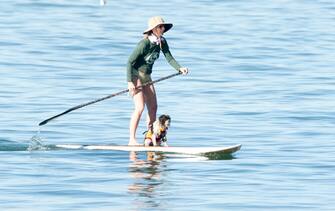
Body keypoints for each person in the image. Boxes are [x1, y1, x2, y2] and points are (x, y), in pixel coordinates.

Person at [127, 16, 188, 146]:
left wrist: (180, 68)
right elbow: (130, 62)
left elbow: (169, 58)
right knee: (140, 107)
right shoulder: (144, 44)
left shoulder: (162, 42)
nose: (163, 28)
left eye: (164, 26)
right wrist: (130, 82)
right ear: (154, 29)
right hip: (136, 76)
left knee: (153, 107)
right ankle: (131, 139)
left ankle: (149, 137)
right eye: (161, 26)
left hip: (147, 77)